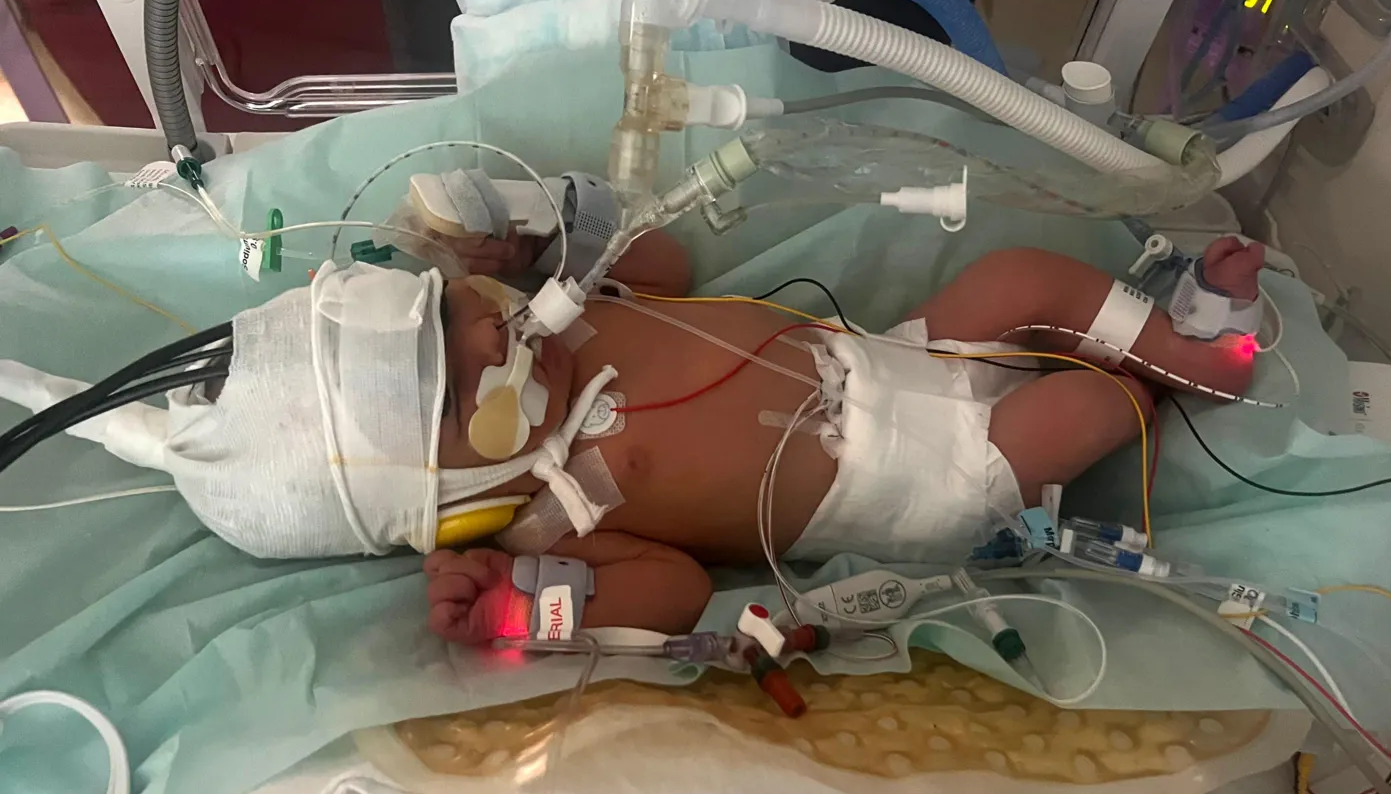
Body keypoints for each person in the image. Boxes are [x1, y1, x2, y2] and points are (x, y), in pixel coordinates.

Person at [419, 230, 1265, 644]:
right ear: (451, 495)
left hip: (891, 357)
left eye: (462, 312)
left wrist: (536, 237)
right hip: (920, 482)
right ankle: (1143, 381)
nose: (492, 340)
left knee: (1020, 277)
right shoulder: (554, 515)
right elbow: (675, 593)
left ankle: (1200, 351)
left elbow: (667, 266)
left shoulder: (574, 317)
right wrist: (520, 603)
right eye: (462, 390)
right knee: (1090, 409)